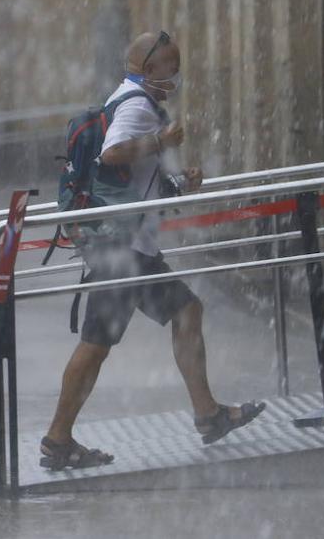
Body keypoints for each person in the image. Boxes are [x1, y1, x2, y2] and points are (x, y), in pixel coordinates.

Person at [39, 30, 265, 470]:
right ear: (148, 69)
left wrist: (179, 183)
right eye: (171, 67)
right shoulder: (138, 105)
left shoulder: (128, 98)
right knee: (96, 345)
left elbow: (133, 182)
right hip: (120, 250)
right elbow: (112, 154)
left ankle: (208, 414)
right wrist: (161, 142)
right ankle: (58, 437)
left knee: (187, 311)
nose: (177, 75)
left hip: (130, 247)